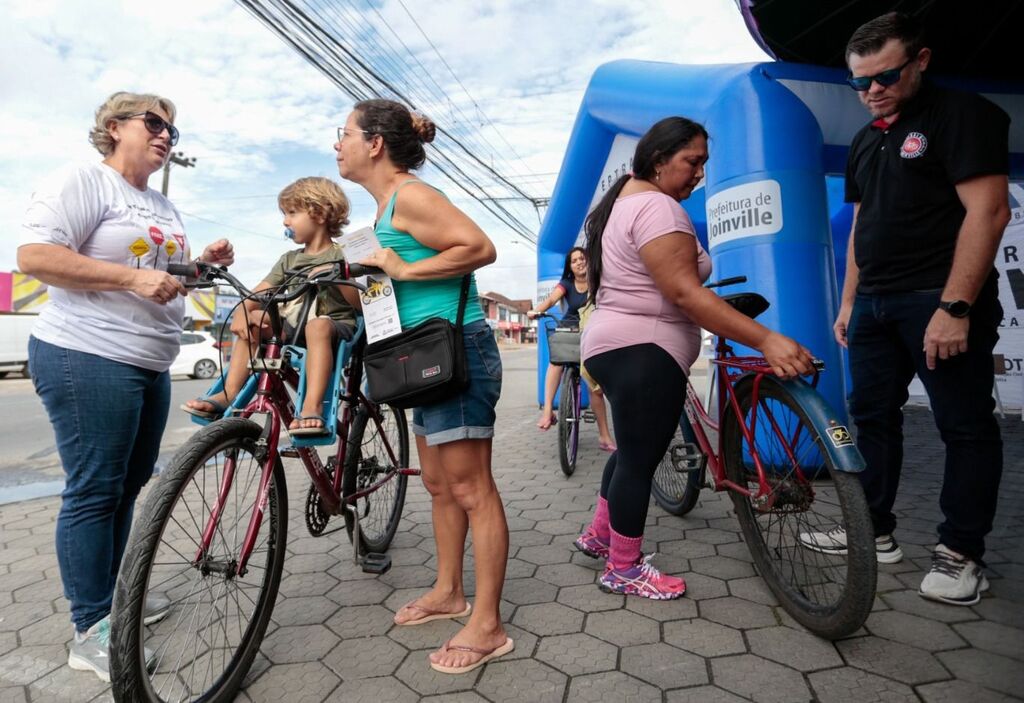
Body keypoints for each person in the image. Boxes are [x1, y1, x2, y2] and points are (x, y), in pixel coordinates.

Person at [17, 91, 234, 681]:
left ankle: (117, 599)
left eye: (174, 131)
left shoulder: (162, 204)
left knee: (130, 483)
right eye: (155, 123)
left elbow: (165, 279)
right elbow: (35, 256)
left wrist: (204, 265)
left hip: (148, 360)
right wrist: (132, 279)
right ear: (114, 127)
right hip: (87, 353)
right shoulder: (85, 181)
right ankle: (91, 629)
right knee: (94, 489)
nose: (166, 136)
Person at [800, 12, 1010, 606]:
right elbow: (864, 226)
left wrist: (956, 305)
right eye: (860, 82)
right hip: (873, 306)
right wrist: (848, 303)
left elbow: (989, 212)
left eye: (885, 76)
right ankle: (874, 531)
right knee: (873, 419)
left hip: (936, 300)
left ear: (920, 60)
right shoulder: (868, 139)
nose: (872, 91)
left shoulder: (963, 115)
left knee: (963, 426)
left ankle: (962, 552)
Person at [574, 116, 814, 600]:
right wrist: (766, 339)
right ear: (659, 160)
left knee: (630, 454)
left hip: (613, 345)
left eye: (704, 163)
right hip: (645, 348)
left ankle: (600, 536)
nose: (700, 173)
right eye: (692, 161)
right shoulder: (657, 209)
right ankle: (623, 568)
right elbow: (684, 292)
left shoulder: (616, 206)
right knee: (639, 462)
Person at [336, 98, 512, 673]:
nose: (337, 145)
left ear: (375, 144)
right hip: (420, 361)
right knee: (438, 484)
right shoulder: (384, 213)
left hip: (456, 350)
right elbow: (386, 285)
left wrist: (404, 269)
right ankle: (449, 592)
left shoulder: (411, 195)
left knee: (470, 487)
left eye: (343, 135)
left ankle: (486, 625)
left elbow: (479, 247)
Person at [183, 177, 359, 435]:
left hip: (333, 328)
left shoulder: (341, 254)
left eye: (292, 213)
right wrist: (245, 311)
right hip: (292, 327)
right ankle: (229, 393)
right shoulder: (289, 259)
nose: (285, 221)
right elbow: (259, 292)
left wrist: (338, 276)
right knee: (253, 318)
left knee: (318, 326)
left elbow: (359, 305)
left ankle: (312, 406)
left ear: (319, 213)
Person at [528, 246, 615, 451]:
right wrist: (536, 311)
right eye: (574, 260)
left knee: (596, 388)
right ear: (570, 266)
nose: (579, 262)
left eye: (582, 258)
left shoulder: (598, 280)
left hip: (592, 332)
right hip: (569, 330)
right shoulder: (567, 283)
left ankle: (604, 436)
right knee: (556, 362)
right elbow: (551, 299)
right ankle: (548, 410)